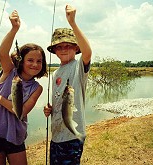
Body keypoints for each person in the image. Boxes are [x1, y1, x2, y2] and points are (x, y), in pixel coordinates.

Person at [0, 10, 47, 165]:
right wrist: (14, 28)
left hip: (16, 136)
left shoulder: (37, 88)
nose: (35, 64)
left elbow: (21, 112)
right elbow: (3, 52)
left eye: (39, 61)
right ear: (21, 61)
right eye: (30, 60)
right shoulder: (9, 71)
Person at [43, 4, 92, 165]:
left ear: (76, 48)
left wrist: (73, 23)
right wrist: (50, 109)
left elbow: (88, 53)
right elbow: (59, 100)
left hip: (71, 137)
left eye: (68, 46)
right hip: (56, 136)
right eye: (59, 46)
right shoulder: (55, 73)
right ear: (55, 50)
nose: (63, 49)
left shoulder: (78, 67)